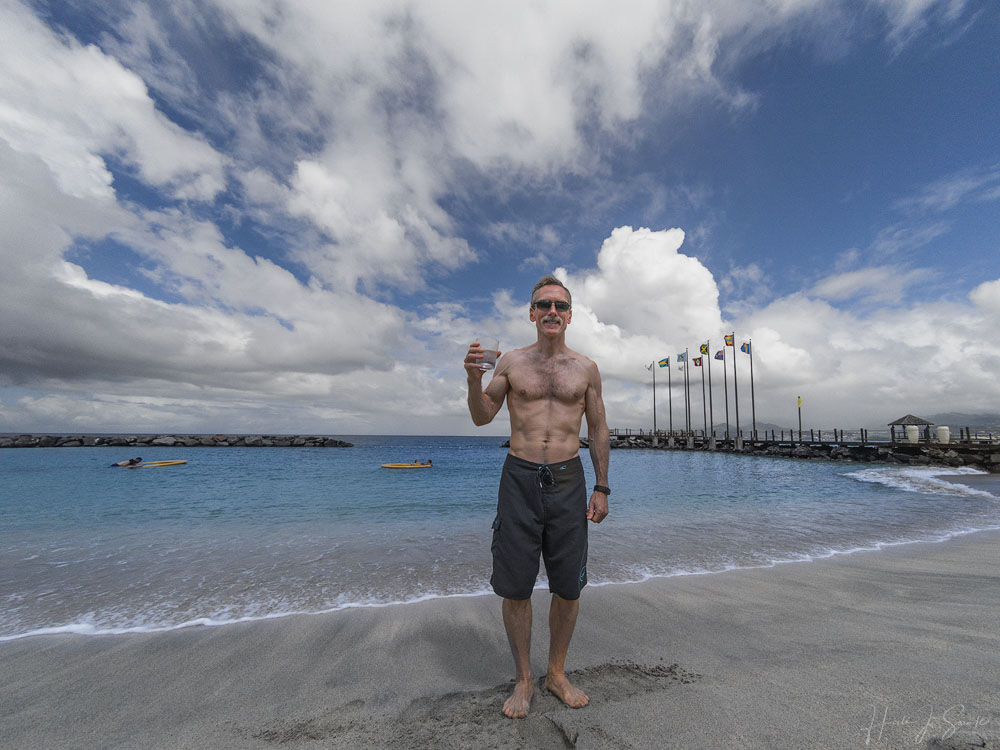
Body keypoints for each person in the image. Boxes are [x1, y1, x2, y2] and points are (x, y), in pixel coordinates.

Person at [464, 274, 610, 719]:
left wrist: (602, 486)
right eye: (544, 305)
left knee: (568, 586)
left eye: (560, 306)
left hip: (569, 479)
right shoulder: (509, 362)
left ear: (570, 316)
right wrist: (473, 380)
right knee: (516, 586)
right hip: (519, 479)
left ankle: (556, 673)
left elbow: (599, 428)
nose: (552, 312)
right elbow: (482, 417)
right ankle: (524, 678)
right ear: (531, 313)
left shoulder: (586, 368)